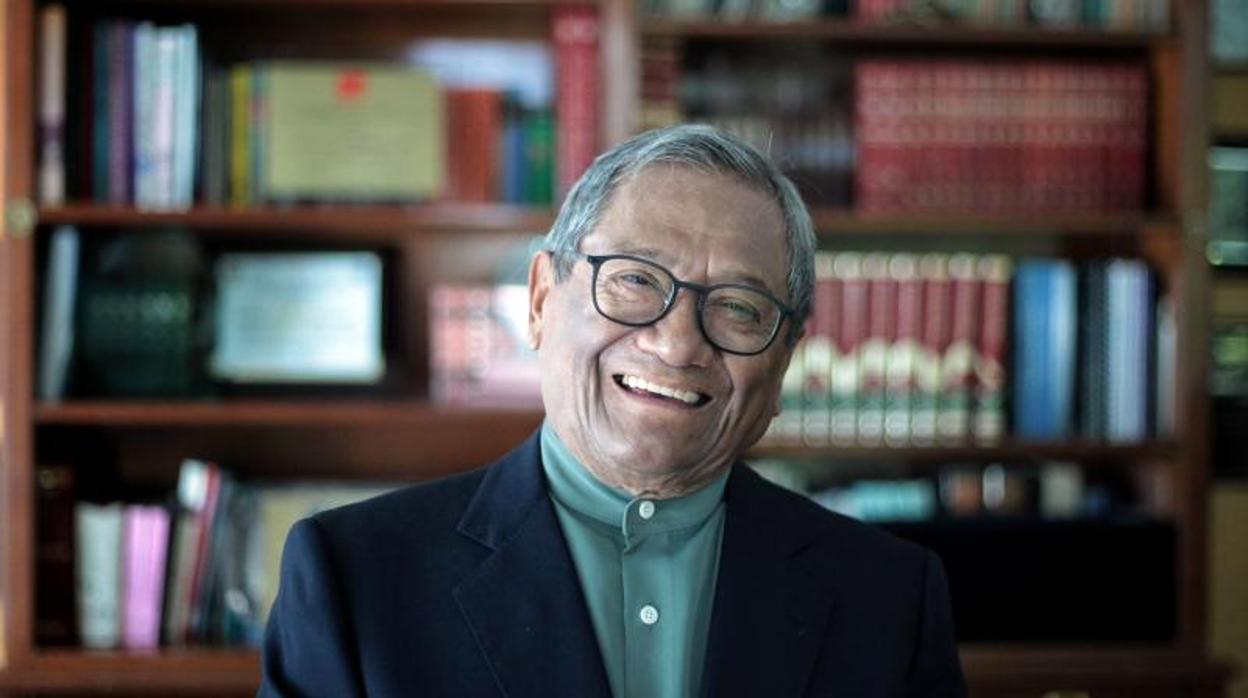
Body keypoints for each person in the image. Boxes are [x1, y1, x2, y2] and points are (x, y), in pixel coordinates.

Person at [258, 124, 967, 697]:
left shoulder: (890, 599)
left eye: (739, 307)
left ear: (783, 363)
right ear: (541, 299)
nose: (678, 342)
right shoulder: (356, 577)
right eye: (635, 279)